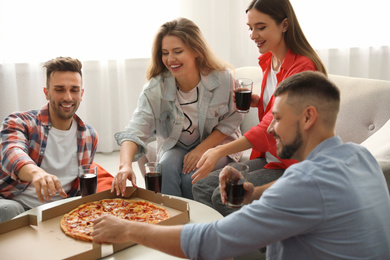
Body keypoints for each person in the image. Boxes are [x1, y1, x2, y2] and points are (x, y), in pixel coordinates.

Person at [93, 71, 390, 259]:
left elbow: (212, 242)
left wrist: (129, 229)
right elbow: (309, 188)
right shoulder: (358, 155)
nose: (270, 128)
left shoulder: (306, 183)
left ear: (308, 117)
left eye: (277, 117)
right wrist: (254, 193)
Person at [192, 0, 327, 216]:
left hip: (294, 165)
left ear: (284, 25)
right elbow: (278, 111)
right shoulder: (271, 62)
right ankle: (226, 245)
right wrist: (261, 102)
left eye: (261, 27)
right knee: (201, 186)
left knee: (223, 195)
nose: (253, 35)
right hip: (271, 158)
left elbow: (271, 126)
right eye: (250, 28)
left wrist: (219, 149)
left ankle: (271, 245)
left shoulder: (303, 68)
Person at [112, 18, 243, 199]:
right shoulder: (155, 88)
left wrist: (201, 149)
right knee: (164, 168)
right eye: (165, 53)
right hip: (176, 145)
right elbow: (135, 129)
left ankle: (196, 223)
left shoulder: (223, 79)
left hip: (217, 144)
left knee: (191, 178)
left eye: (178, 51)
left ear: (196, 50)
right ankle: (171, 218)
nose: (170, 59)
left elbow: (234, 118)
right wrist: (124, 166)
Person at [0, 57, 113, 223]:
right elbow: (12, 152)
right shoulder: (20, 121)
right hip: (17, 204)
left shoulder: (89, 136)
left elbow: (82, 187)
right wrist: (36, 173)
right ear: (47, 92)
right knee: (8, 210)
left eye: (74, 90)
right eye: (59, 90)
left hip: (61, 212)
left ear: (81, 94)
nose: (68, 97)